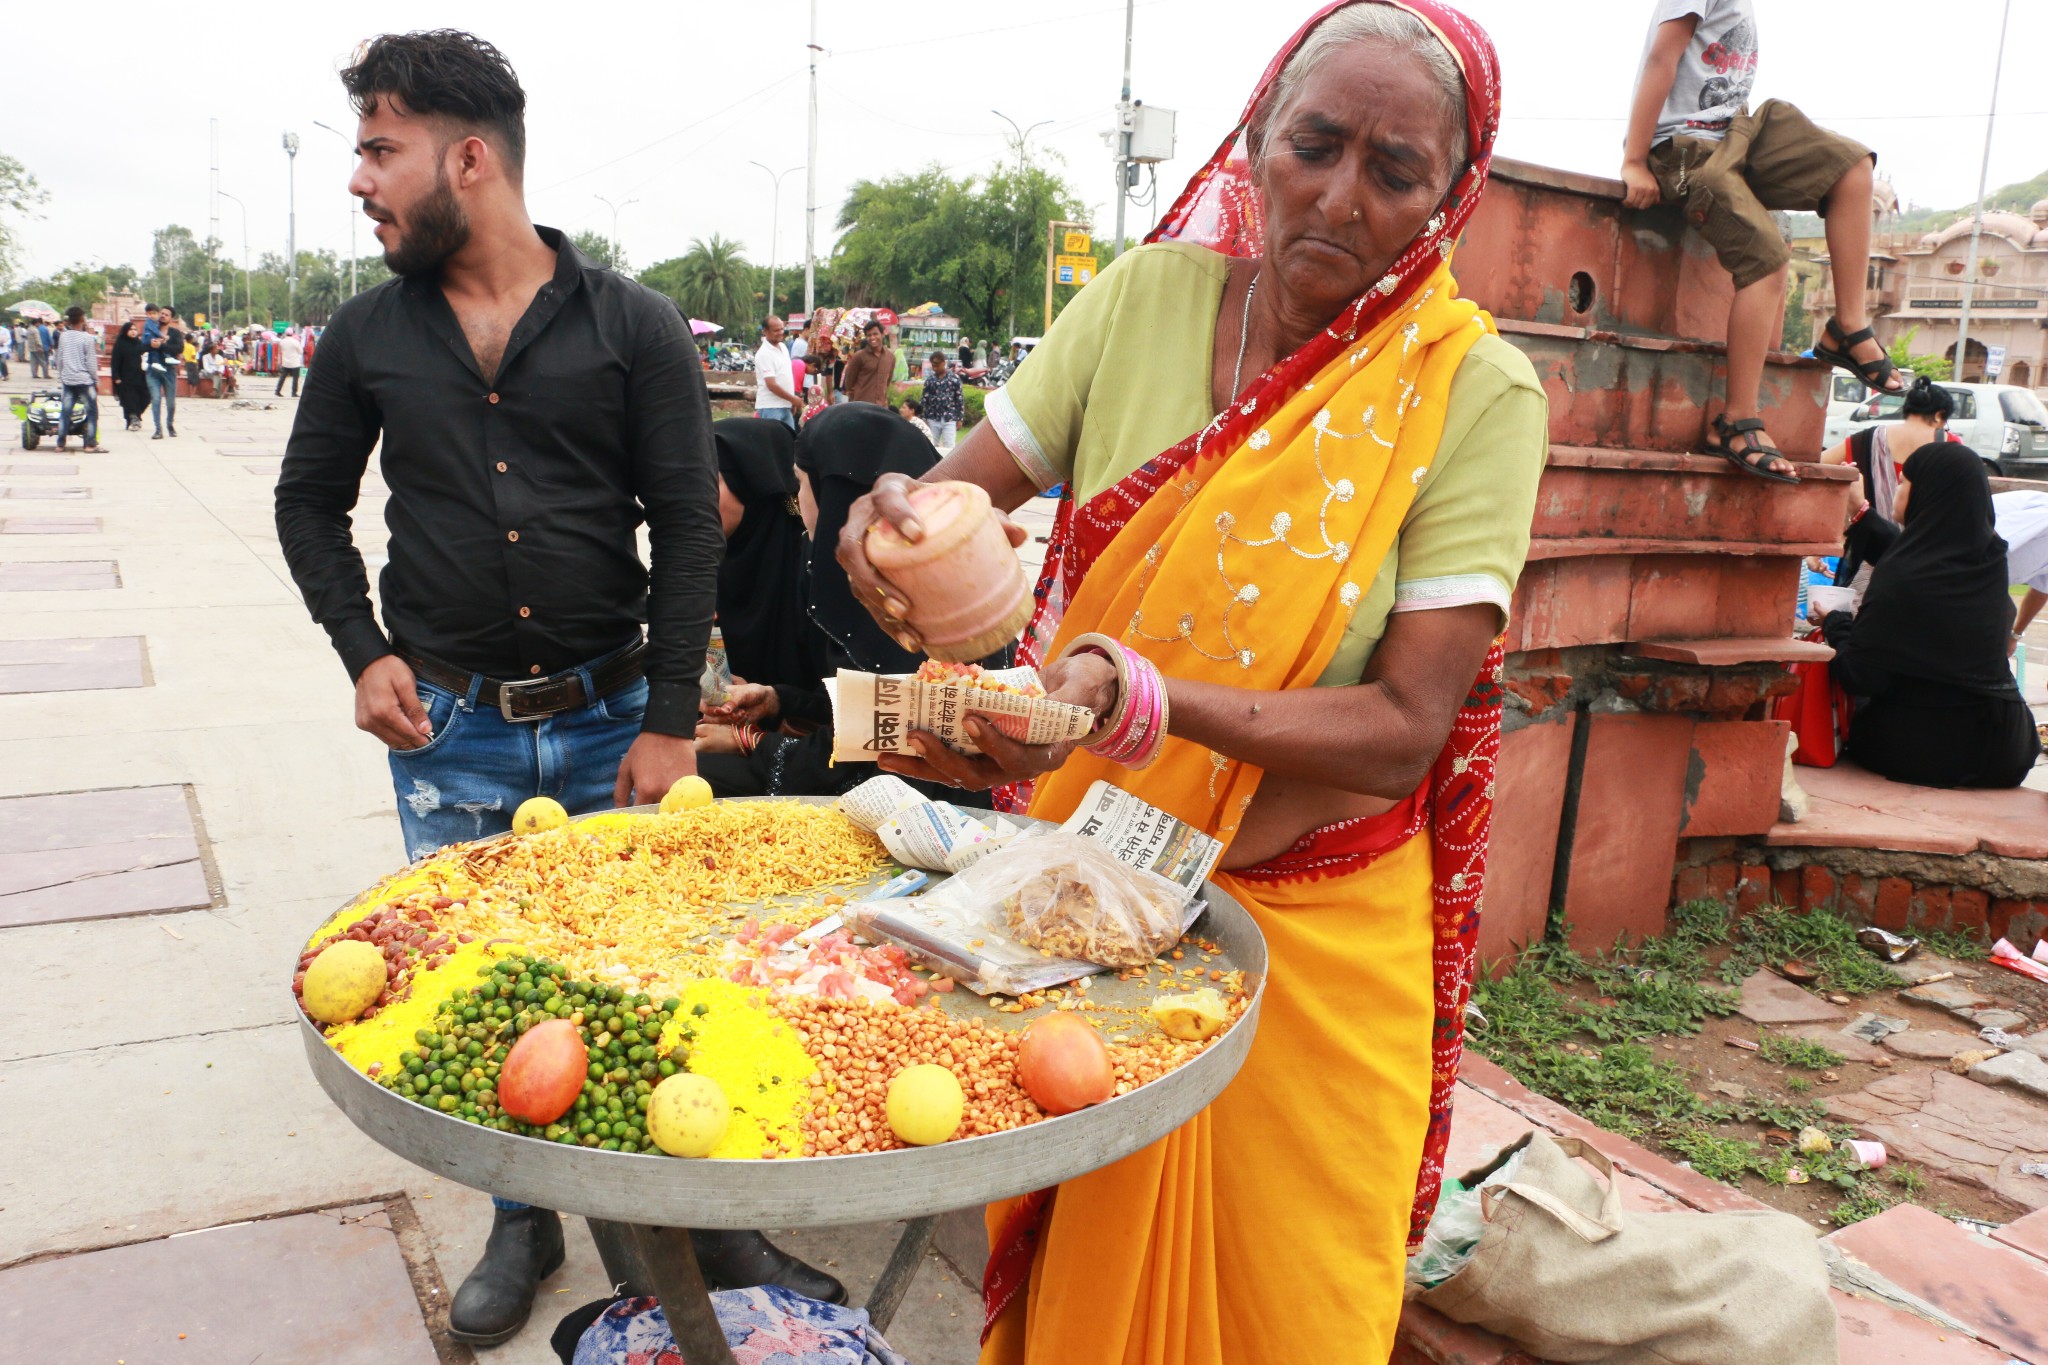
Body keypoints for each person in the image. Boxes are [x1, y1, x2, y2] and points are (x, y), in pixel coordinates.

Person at [837, 4, 1544, 1360]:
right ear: (1257, 142)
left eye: (1394, 170)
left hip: (1316, 946)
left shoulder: (1473, 393)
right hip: (1087, 908)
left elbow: (1404, 730)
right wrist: (893, 537)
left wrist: (1147, 698)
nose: (1338, 194)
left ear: (1450, 197)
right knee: (1084, 1297)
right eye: (1314, 145)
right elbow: (947, 505)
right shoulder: (1144, 302)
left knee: (1294, 1311)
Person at [273, 28, 840, 1349]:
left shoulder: (631, 325)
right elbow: (308, 501)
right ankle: (521, 1222)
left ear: (469, 159)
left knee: (662, 973)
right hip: (451, 729)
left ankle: (714, 1223)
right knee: (489, 982)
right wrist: (365, 651)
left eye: (379, 148)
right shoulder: (366, 336)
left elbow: (687, 529)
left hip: (607, 725)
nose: (360, 179)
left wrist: (661, 721)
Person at [1621, 1, 1898, 484]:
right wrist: (1635, 160)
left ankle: (1847, 328)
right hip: (1683, 149)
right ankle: (1736, 421)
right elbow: (1662, 59)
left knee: (1854, 169)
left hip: (1739, 132)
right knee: (1768, 261)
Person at [1817, 443, 2040, 788]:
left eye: (1905, 483)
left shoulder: (1903, 577)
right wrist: (1860, 511)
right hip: (2009, 751)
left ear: (1929, 494)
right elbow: (1917, 559)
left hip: (1927, 751)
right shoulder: (1989, 561)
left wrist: (1835, 621)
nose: (1897, 490)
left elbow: (1861, 676)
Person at [1820, 376, 1954, 590]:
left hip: (1870, 558)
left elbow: (1817, 467)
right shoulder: (1952, 447)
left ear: (1907, 409)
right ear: (1939, 416)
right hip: (1926, 560)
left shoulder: (1866, 440)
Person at [53, 307, 106, 452]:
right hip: (84, 380)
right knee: (92, 412)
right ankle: (90, 444)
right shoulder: (87, 338)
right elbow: (90, 363)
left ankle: (60, 444)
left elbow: (60, 358)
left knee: (66, 412)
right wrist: (95, 380)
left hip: (68, 379)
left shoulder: (63, 336)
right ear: (82, 319)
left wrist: (62, 375)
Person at [753, 314, 799, 430]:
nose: (780, 332)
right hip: (770, 407)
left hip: (785, 406)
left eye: (782, 329)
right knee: (774, 442)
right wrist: (793, 399)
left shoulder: (783, 347)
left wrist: (791, 401)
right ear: (765, 331)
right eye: (776, 330)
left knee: (790, 441)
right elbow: (771, 385)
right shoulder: (764, 353)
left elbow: (785, 376)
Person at [145, 306, 182, 438]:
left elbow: (179, 348)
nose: (163, 316)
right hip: (153, 370)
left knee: (171, 402)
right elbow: (142, 345)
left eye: (167, 314)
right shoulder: (151, 328)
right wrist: (150, 344)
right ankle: (158, 429)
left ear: (171, 318)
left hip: (168, 370)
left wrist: (162, 345)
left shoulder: (174, 333)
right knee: (156, 399)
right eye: (162, 313)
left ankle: (169, 424)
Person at [838, 319, 892, 405]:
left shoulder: (890, 357)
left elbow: (887, 382)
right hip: (861, 405)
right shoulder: (859, 357)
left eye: (875, 334)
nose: (872, 337)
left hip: (881, 407)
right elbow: (849, 382)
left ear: (882, 334)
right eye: (869, 335)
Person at [110, 320, 150, 429]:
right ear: (125, 331)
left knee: (146, 397)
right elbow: (115, 362)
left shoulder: (139, 343)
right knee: (130, 400)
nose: (133, 332)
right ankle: (133, 418)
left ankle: (135, 416)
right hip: (125, 378)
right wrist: (116, 377)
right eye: (130, 330)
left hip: (140, 376)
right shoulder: (120, 344)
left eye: (135, 329)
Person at [920, 351, 963, 450]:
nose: (935, 368)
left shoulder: (954, 379)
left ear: (944, 363)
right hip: (932, 418)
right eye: (933, 365)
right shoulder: (930, 380)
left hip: (949, 418)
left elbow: (959, 399)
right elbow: (924, 400)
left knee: (949, 447)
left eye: (937, 365)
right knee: (930, 446)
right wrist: (923, 418)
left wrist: (960, 418)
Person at [275, 326, 305, 396]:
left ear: (285, 333)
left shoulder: (282, 342)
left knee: (282, 377)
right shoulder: (295, 342)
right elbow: (300, 352)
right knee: (295, 379)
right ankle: (294, 392)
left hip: (285, 363)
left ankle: (277, 391)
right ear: (293, 333)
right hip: (295, 363)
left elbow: (279, 352)